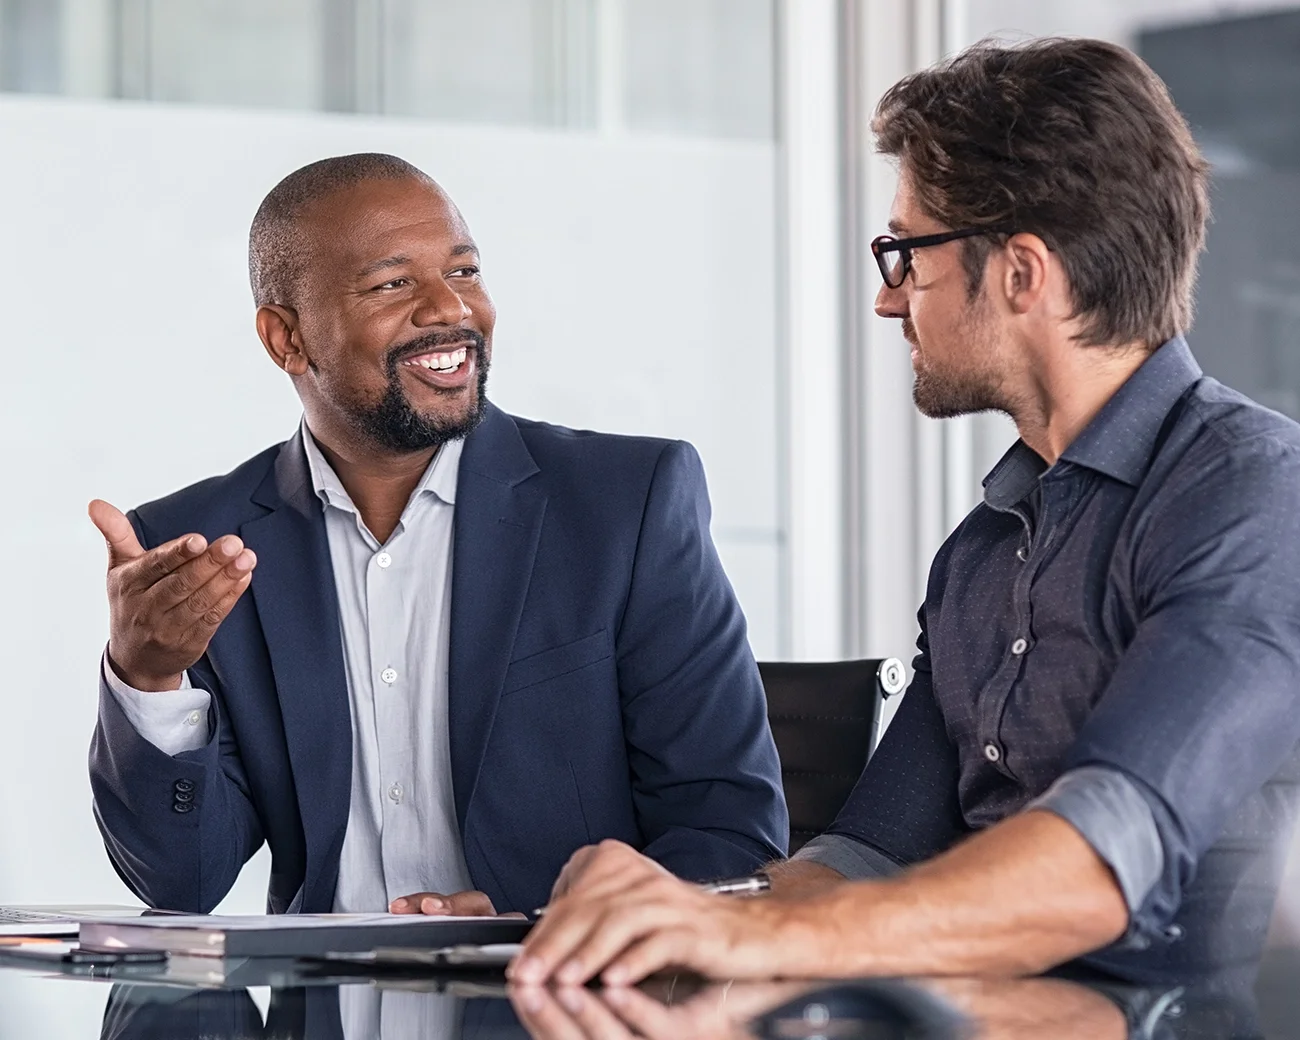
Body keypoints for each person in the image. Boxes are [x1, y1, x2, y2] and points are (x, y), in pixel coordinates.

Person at [509, 37, 1300, 987]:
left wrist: (754, 942)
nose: (889, 303)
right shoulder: (983, 551)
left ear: (1021, 273)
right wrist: (655, 915)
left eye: (906, 255)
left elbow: (1104, 860)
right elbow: (865, 857)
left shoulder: (1252, 494)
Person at [87, 153, 787, 918]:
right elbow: (182, 882)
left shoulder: (626, 506)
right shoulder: (199, 550)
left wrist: (538, 927)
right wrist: (147, 678)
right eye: (393, 284)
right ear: (286, 339)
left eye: (464, 272)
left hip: (555, 982)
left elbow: (730, 836)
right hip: (318, 989)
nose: (450, 307)